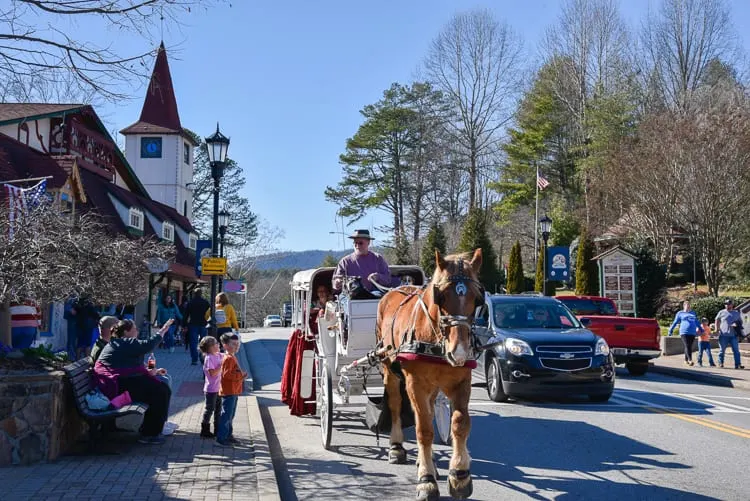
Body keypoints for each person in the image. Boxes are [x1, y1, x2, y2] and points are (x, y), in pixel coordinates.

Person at [93, 318, 175, 444]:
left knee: (160, 387)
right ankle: (150, 434)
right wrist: (163, 330)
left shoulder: (118, 343)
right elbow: (148, 345)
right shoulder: (124, 343)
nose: (137, 331)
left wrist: (150, 371)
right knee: (160, 391)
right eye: (134, 329)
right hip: (116, 387)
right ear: (126, 332)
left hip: (120, 382)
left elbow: (129, 366)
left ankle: (152, 429)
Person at [332, 229, 397, 299]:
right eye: (355, 243)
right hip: (351, 294)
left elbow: (388, 279)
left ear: (368, 242)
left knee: (376, 296)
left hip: (373, 294)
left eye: (360, 243)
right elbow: (335, 281)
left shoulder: (378, 258)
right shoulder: (345, 261)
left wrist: (377, 276)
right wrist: (337, 282)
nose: (357, 245)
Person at [216, 333, 247, 446]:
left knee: (230, 415)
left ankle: (228, 435)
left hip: (233, 390)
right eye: (233, 344)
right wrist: (241, 376)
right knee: (227, 415)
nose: (236, 346)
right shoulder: (229, 358)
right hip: (229, 391)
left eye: (237, 344)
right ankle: (221, 439)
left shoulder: (232, 356)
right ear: (225, 346)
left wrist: (240, 375)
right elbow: (226, 375)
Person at [198, 336, 224, 438]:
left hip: (219, 388)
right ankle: (204, 431)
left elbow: (227, 356)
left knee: (218, 411)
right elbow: (212, 373)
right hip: (211, 390)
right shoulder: (209, 358)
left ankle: (217, 430)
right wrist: (221, 366)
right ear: (210, 348)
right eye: (216, 343)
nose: (218, 345)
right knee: (209, 410)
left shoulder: (218, 355)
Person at [668, 300, 703, 366]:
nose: (688, 307)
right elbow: (675, 322)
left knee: (688, 346)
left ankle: (685, 360)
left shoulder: (693, 313)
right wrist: (670, 330)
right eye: (687, 306)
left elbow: (696, 322)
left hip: (692, 332)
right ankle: (690, 360)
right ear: (684, 306)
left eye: (689, 306)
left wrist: (701, 329)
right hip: (684, 332)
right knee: (687, 345)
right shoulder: (680, 313)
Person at [715, 299, 744, 369]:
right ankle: (720, 363)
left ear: (732, 305)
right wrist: (717, 329)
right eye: (726, 304)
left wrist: (736, 324)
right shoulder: (721, 312)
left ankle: (738, 364)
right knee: (722, 350)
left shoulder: (736, 313)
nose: (727, 305)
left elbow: (741, 322)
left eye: (728, 304)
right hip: (723, 335)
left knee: (736, 351)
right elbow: (717, 320)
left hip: (734, 335)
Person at [185, 290, 211, 365]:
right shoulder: (205, 302)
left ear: (194, 294)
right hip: (203, 324)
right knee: (204, 342)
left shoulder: (191, 302)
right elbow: (209, 313)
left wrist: (184, 324)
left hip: (193, 324)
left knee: (193, 342)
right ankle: (203, 357)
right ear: (201, 293)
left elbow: (186, 314)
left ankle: (194, 359)